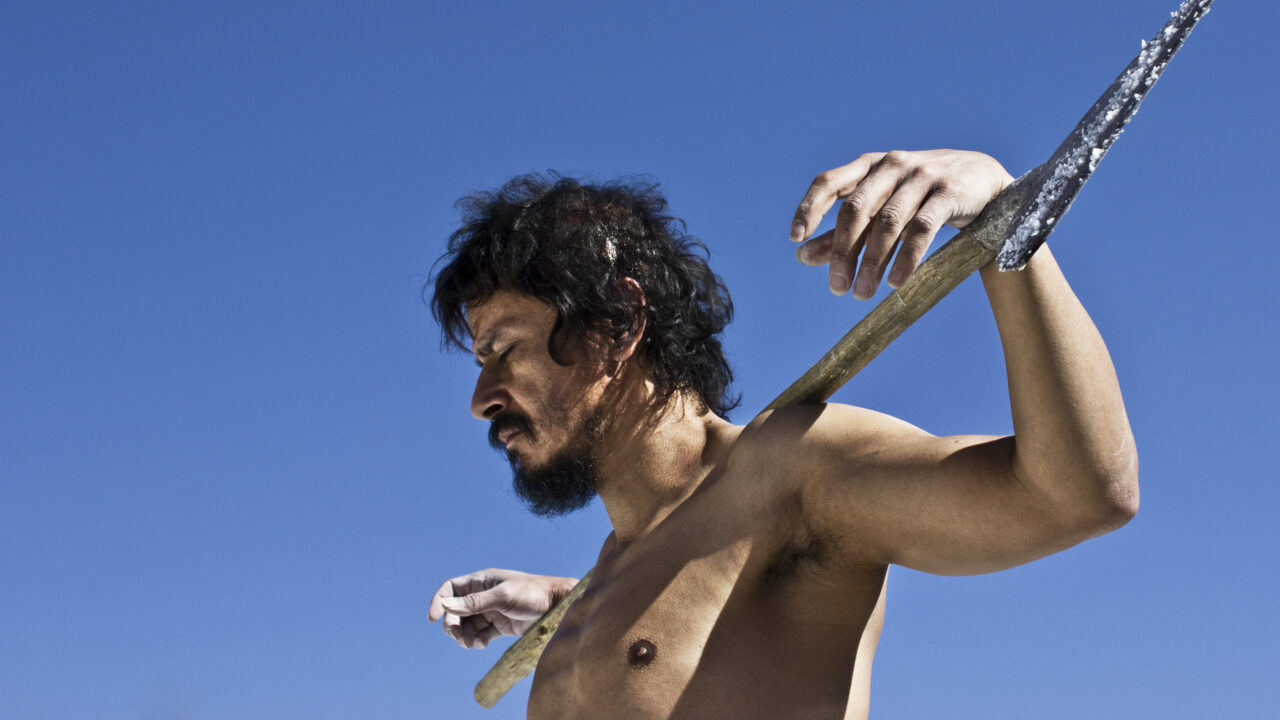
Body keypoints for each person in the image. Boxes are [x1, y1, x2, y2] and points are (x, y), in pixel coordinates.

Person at [426, 149, 1138, 719]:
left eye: (502, 350)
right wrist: (570, 604)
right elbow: (692, 630)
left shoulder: (788, 476)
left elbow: (1078, 494)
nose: (481, 401)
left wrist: (1008, 218)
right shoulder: (597, 593)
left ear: (617, 325)